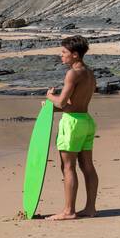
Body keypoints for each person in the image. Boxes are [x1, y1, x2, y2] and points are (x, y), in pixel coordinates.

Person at [44, 35, 98, 220]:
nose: (61, 55)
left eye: (64, 52)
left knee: (68, 166)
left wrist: (50, 96)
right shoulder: (90, 73)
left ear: (75, 54)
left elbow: (60, 102)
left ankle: (69, 211)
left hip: (72, 124)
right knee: (87, 166)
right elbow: (76, 105)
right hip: (86, 121)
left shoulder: (73, 73)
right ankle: (90, 208)